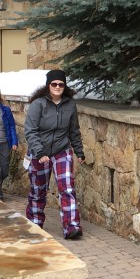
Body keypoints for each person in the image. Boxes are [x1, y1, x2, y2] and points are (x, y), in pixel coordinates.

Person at [24, 69, 86, 239]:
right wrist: (39, 152)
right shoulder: (38, 104)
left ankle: (72, 227)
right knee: (38, 190)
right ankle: (35, 223)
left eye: (61, 84)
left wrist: (79, 151)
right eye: (54, 84)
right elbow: (30, 131)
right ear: (48, 85)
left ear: (64, 86)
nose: (57, 87)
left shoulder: (70, 105)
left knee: (67, 188)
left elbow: (74, 130)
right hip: (39, 152)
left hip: (61, 150)